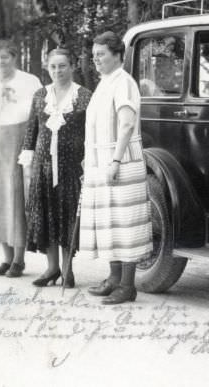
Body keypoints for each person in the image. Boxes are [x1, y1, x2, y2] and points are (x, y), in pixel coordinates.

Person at [79, 31, 152, 305]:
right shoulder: (105, 82)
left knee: (125, 224)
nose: (96, 59)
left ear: (118, 56)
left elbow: (126, 124)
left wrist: (115, 161)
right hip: (102, 162)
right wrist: (91, 157)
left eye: (102, 54)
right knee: (108, 223)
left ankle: (127, 286)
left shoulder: (124, 82)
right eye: (94, 55)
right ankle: (113, 278)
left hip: (120, 162)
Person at [19, 49, 92, 287]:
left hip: (72, 168)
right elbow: (32, 130)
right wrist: (28, 161)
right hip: (43, 167)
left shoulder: (84, 96)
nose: (58, 71)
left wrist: (89, 161)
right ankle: (51, 269)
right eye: (53, 67)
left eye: (62, 66)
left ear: (72, 66)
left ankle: (68, 270)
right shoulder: (41, 95)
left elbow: (92, 132)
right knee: (46, 216)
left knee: (68, 216)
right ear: (47, 68)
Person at [0, 39, 42, 277]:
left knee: (17, 199)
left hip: (19, 142)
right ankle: (7, 258)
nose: (0, 62)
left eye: (5, 57)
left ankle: (19, 260)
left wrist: (33, 149)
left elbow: (39, 116)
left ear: (14, 57)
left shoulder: (30, 81)